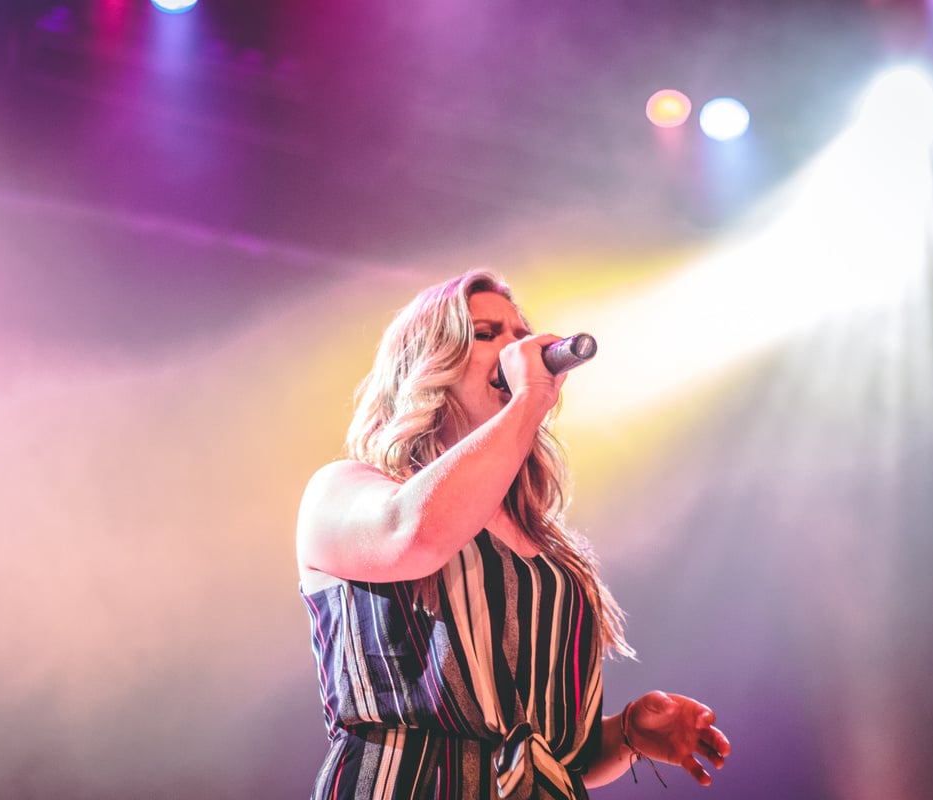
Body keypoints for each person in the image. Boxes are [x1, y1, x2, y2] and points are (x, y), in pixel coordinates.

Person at [297, 269, 730, 799]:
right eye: (486, 333)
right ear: (425, 366)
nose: (516, 348)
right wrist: (528, 399)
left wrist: (626, 735)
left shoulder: (548, 547)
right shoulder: (345, 489)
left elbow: (542, 748)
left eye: (521, 336)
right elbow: (413, 537)